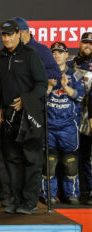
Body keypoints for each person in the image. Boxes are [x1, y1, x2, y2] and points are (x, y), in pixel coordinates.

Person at [0, 20, 48, 215]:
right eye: (4, 35)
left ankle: (30, 201)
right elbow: (3, 86)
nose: (7, 38)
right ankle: (16, 199)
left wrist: (26, 101)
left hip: (30, 117)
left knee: (31, 160)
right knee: (12, 159)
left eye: (10, 34)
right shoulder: (1, 55)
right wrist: (1, 110)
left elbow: (42, 84)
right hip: (10, 117)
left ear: (19, 34)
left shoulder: (30, 55)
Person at [43, 42, 84, 205]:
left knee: (70, 162)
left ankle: (72, 194)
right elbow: (39, 99)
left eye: (60, 52)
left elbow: (79, 96)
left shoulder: (76, 75)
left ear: (67, 55)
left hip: (68, 126)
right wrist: (49, 87)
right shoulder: (44, 74)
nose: (56, 55)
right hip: (50, 125)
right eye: (53, 52)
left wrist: (66, 87)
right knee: (49, 162)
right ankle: (49, 195)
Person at [68, 32, 92, 205]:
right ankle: (79, 191)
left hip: (90, 117)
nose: (87, 46)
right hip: (75, 117)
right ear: (80, 43)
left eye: (90, 43)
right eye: (85, 43)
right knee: (78, 156)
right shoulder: (72, 63)